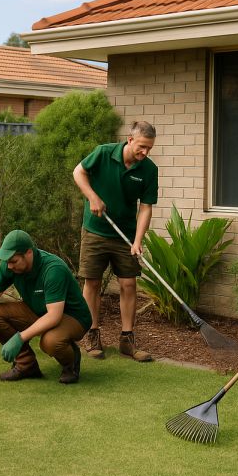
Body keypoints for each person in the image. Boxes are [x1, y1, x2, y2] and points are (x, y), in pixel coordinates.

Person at [73, 121, 158, 362]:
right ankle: (92, 335)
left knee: (128, 284)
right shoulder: (103, 153)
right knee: (92, 283)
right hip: (95, 230)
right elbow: (78, 172)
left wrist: (138, 240)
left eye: (149, 149)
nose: (145, 153)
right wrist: (92, 197)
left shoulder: (149, 170)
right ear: (130, 140)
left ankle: (127, 340)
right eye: (142, 147)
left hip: (126, 235)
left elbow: (146, 208)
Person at [0, 230, 92, 384]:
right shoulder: (9, 266)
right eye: (7, 261)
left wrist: (19, 338)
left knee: (50, 342)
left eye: (13, 260)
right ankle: (26, 365)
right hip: (39, 311)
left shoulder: (53, 269)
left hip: (72, 317)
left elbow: (54, 316)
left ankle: (70, 363)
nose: (9, 266)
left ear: (29, 253)